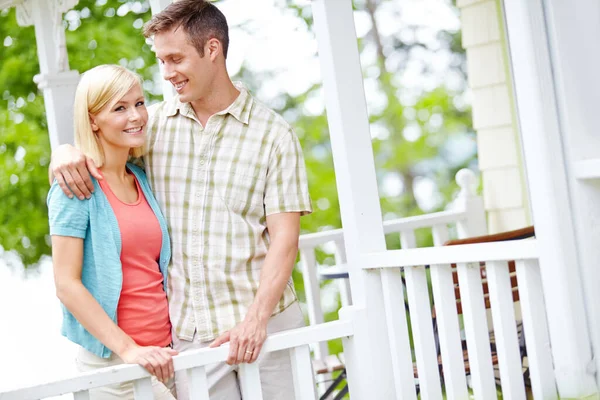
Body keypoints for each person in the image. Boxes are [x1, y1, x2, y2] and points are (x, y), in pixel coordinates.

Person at [51, 1, 313, 398]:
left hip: (267, 329)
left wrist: (254, 322)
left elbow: (285, 240)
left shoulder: (274, 136)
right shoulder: (152, 126)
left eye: (175, 59)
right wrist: (63, 152)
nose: (167, 73)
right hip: (192, 343)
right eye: (161, 61)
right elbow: (106, 134)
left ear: (212, 49)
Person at [48, 64, 178, 400]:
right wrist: (130, 349)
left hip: (166, 355)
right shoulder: (75, 188)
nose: (135, 116)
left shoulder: (142, 178)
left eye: (138, 103)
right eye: (119, 108)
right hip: (115, 366)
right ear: (93, 120)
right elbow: (66, 285)